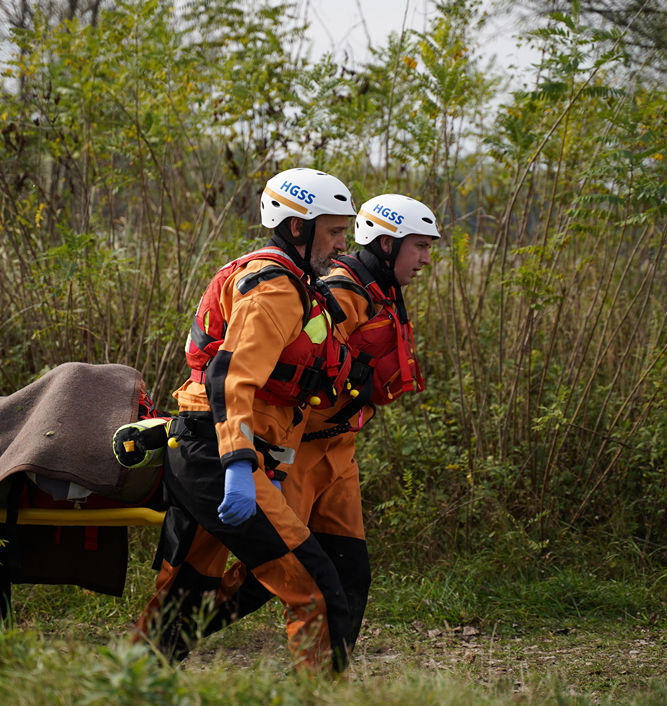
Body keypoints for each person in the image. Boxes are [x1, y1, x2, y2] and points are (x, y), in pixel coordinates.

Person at [133, 168, 358, 675]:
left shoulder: (293, 281)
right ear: (298, 228)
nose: (344, 244)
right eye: (335, 231)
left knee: (185, 598)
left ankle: (127, 684)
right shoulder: (276, 288)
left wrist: (266, 461)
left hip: (206, 449)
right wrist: (238, 464)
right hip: (217, 453)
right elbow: (229, 378)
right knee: (317, 590)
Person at [198, 194, 440, 653]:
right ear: (387, 245)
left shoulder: (383, 292)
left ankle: (329, 675)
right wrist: (261, 455)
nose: (427, 259)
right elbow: (294, 370)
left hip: (339, 452)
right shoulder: (341, 293)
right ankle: (176, 632)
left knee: (351, 570)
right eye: (420, 247)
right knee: (267, 574)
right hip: (304, 450)